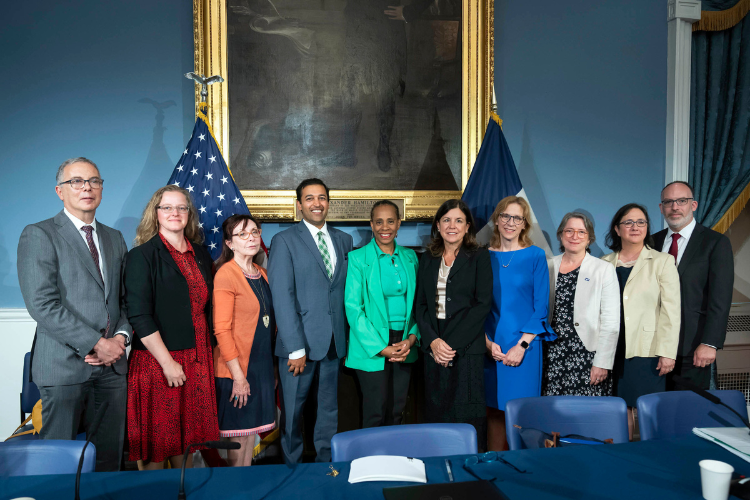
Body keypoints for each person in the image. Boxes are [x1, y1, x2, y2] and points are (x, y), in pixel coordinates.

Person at [17, 157, 130, 472]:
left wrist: (119, 339)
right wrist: (97, 343)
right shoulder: (39, 234)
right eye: (76, 181)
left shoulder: (114, 238)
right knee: (59, 463)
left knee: (109, 461)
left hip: (112, 368)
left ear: (102, 189)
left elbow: (123, 300)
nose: (87, 188)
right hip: (63, 367)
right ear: (60, 191)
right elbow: (42, 304)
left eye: (94, 181)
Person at [124, 185, 219, 469]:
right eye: (167, 207)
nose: (174, 213)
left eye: (181, 208)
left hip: (196, 361)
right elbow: (139, 315)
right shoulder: (142, 256)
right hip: (159, 364)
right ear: (156, 213)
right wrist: (167, 363)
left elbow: (206, 308)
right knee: (157, 450)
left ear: (189, 215)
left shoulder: (200, 254)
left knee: (187, 449)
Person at [268, 178, 353, 464]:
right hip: (298, 345)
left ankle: (325, 466)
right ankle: (291, 468)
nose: (317, 203)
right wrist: (295, 347)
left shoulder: (344, 240)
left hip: (332, 342)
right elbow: (282, 296)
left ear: (328, 202)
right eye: (309, 198)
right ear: (299, 205)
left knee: (328, 411)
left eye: (322, 198)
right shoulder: (284, 241)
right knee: (293, 412)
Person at [415, 199, 492, 446]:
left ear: (467, 226)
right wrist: (434, 343)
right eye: (446, 220)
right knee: (437, 414)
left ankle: (472, 476)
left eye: (459, 220)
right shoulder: (427, 258)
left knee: (468, 417)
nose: (452, 225)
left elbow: (482, 305)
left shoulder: (479, 256)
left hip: (467, 349)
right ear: (438, 225)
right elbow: (421, 306)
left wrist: (450, 346)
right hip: (433, 349)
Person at [602, 203, 680, 439]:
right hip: (611, 348)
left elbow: (671, 310)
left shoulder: (662, 261)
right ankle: (621, 458)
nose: (635, 227)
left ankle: (649, 459)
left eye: (641, 222)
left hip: (647, 349)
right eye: (628, 222)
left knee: (646, 408)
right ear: (617, 229)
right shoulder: (603, 263)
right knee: (618, 408)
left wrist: (667, 352)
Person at [483, 196, 555, 451]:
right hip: (491, 346)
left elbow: (540, 309)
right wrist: (486, 342)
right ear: (496, 219)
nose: (510, 222)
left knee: (521, 414)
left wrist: (521, 346)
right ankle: (493, 469)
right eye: (505, 216)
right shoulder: (483, 256)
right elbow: (476, 305)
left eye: (517, 218)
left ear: (524, 224)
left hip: (524, 346)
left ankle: (524, 473)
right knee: (493, 412)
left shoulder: (536, 256)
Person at [344, 200, 420, 428]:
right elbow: (353, 308)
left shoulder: (411, 257)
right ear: (371, 224)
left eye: (390, 221)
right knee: (375, 412)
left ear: (398, 224)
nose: (384, 227)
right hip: (372, 345)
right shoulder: (358, 259)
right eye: (378, 222)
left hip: (406, 343)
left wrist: (412, 339)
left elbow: (418, 304)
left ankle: (395, 462)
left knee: (398, 410)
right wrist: (382, 348)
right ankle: (372, 463)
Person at [653, 181, 734, 390]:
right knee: (652, 411)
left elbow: (720, 299)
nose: (675, 207)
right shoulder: (651, 242)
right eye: (668, 202)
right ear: (661, 208)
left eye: (681, 201)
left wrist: (709, 343)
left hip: (693, 348)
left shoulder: (715, 243)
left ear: (694, 205)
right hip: (653, 347)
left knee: (686, 412)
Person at [213, 214, 276, 467]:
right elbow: (221, 330)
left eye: (254, 232)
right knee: (238, 445)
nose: (251, 238)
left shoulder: (261, 272)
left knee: (249, 440)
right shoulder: (226, 274)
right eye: (242, 234)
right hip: (236, 371)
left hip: (259, 369)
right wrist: (238, 377)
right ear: (229, 243)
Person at [542, 212, 620, 397]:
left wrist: (602, 362)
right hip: (551, 354)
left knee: (584, 416)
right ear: (561, 235)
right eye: (569, 231)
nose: (574, 236)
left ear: (589, 238)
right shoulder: (547, 266)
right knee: (553, 415)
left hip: (587, 355)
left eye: (581, 232)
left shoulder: (603, 269)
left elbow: (611, 321)